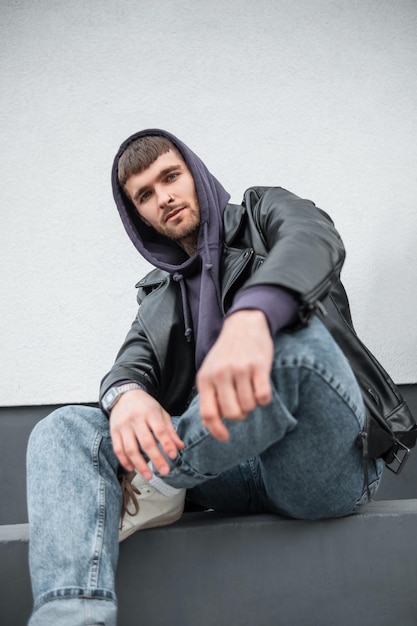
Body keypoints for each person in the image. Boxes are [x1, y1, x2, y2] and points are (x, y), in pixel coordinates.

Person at [27, 128, 398, 625]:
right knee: (63, 429)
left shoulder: (263, 212)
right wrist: (126, 395)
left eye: (170, 177)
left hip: (314, 458)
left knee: (292, 340)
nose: (164, 198)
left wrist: (255, 317)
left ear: (194, 172)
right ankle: (70, 617)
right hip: (219, 466)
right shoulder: (157, 297)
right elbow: (128, 365)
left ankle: (163, 478)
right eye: (145, 195)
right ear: (138, 215)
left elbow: (315, 238)